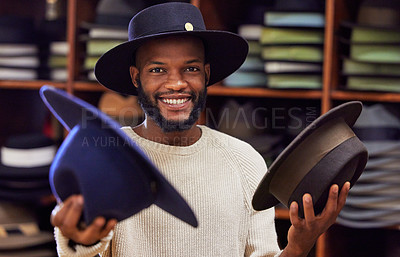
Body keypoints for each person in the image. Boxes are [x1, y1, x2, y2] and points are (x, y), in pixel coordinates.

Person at [51, 2, 350, 257]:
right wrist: (81, 240)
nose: (177, 83)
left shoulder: (244, 160)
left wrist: (299, 245)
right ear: (135, 77)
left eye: (191, 68)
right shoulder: (109, 159)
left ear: (206, 74)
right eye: (157, 70)